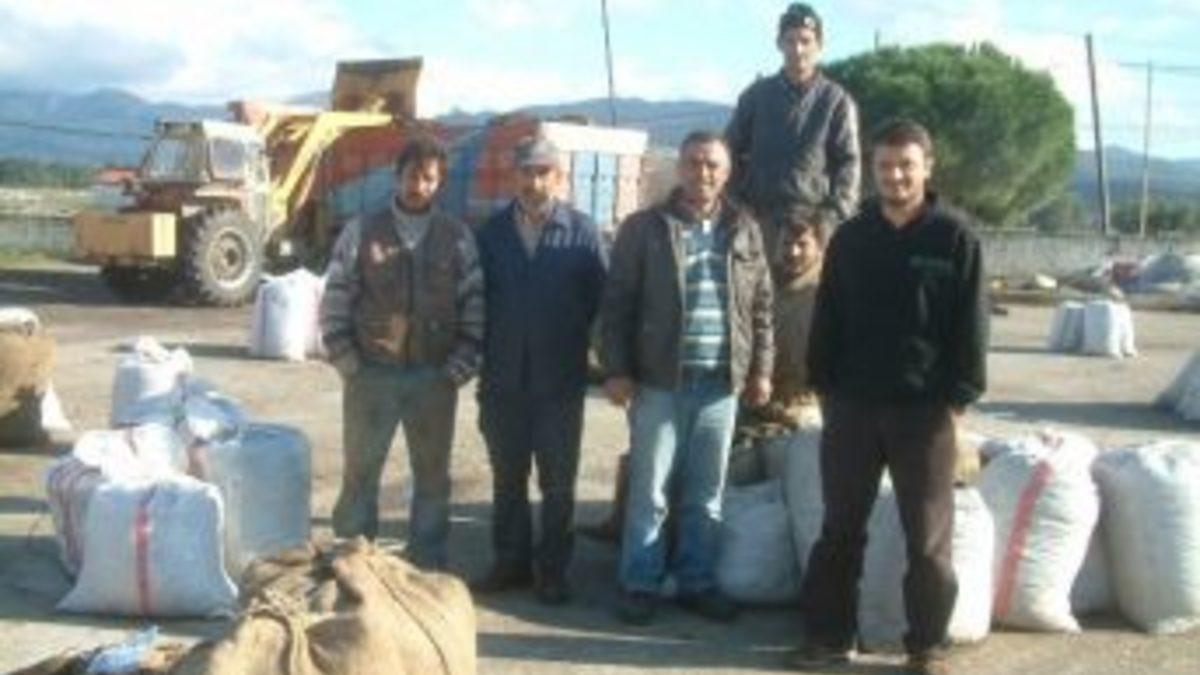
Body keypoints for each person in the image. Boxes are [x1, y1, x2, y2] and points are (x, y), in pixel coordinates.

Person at [792, 119, 989, 675]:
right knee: (839, 530)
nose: (895, 176)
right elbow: (828, 316)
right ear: (872, 170)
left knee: (927, 539)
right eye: (885, 166)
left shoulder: (955, 238)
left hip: (923, 413)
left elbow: (972, 326)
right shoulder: (852, 238)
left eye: (906, 165)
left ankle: (926, 648)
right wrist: (823, 384)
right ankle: (828, 639)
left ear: (928, 168)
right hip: (852, 408)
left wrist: (960, 395)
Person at [600, 130, 774, 625]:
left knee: (705, 494)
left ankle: (696, 581)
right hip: (659, 382)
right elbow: (616, 304)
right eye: (695, 162)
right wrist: (616, 369)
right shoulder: (645, 228)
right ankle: (640, 583)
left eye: (713, 164)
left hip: (721, 386)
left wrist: (761, 369)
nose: (704, 172)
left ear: (727, 172)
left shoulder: (745, 229)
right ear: (679, 168)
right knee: (650, 492)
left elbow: (762, 305)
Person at [319, 134, 484, 571]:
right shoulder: (361, 232)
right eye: (412, 176)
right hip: (371, 375)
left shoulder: (457, 237)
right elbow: (336, 295)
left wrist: (460, 365)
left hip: (434, 378)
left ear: (439, 183)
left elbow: (474, 302)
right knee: (360, 474)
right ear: (398, 177)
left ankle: (426, 564)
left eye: (429, 179)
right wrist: (346, 360)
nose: (419, 186)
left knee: (432, 478)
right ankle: (352, 565)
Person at [471, 136, 607, 605]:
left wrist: (611, 366)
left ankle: (553, 571)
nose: (534, 182)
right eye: (526, 172)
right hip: (502, 382)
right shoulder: (491, 235)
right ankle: (510, 563)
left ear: (559, 177)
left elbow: (604, 305)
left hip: (560, 384)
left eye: (543, 172)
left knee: (558, 484)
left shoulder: (583, 233)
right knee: (507, 479)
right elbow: (473, 303)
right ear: (515, 177)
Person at [725, 2, 860, 261]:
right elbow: (728, 153)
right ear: (779, 44)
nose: (798, 49)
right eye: (790, 41)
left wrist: (830, 219)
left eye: (806, 41)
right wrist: (737, 207)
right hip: (759, 223)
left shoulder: (837, 101)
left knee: (811, 289)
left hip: (813, 229)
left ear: (819, 45)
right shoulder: (755, 96)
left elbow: (849, 165)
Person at [736, 206, 828, 441]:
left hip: (806, 413)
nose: (793, 252)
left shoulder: (827, 295)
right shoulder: (760, 287)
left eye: (802, 245)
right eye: (787, 243)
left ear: (820, 248)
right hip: (753, 409)